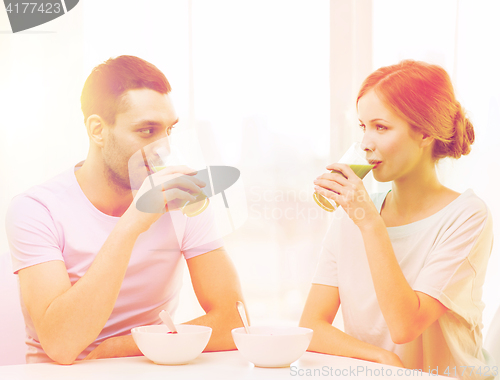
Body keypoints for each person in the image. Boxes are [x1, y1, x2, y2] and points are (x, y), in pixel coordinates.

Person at [6, 55, 245, 365]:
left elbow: (233, 322)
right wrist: (131, 225)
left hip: (145, 365)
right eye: (147, 131)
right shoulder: (36, 209)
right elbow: (62, 346)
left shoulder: (182, 199)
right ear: (97, 130)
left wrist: (122, 348)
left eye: (169, 131)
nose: (164, 149)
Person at [300, 60, 496, 379]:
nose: (365, 143)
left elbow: (405, 325)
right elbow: (311, 327)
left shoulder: (467, 216)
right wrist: (380, 358)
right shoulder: (353, 214)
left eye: (381, 127)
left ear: (424, 132)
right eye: (363, 127)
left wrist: (369, 222)